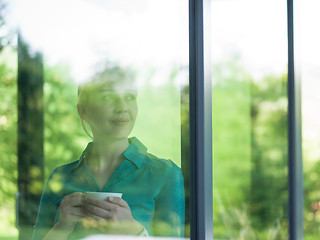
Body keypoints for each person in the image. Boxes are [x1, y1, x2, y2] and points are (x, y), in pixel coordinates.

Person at [31, 64, 185, 240]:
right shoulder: (60, 177)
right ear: (83, 111)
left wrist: (135, 232)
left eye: (129, 96)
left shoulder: (165, 174)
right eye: (108, 97)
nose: (122, 107)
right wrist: (62, 227)